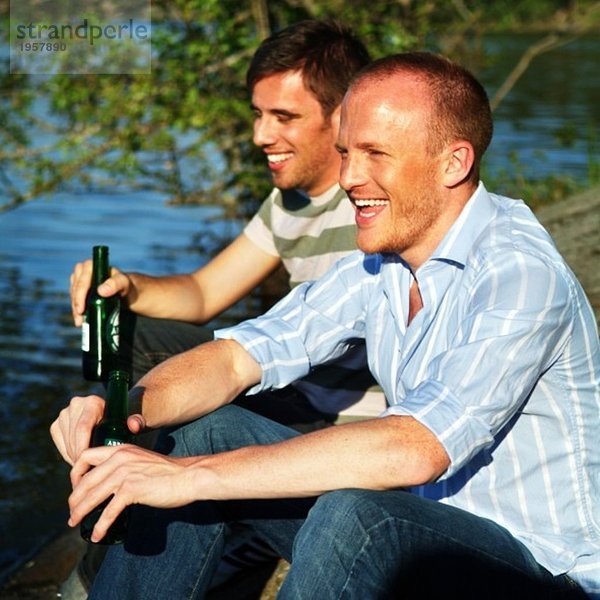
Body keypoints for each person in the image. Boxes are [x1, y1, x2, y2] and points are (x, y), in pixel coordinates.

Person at [52, 52, 600, 599]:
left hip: (542, 573)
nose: (347, 178)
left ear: (453, 163)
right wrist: (124, 411)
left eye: (374, 154)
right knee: (200, 431)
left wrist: (195, 476)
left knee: (355, 516)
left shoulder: (519, 273)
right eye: (344, 152)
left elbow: (415, 448)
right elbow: (237, 356)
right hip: (419, 532)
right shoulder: (383, 264)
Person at [62, 19, 381, 598]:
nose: (261, 135)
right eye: (258, 114)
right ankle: (112, 497)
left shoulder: (371, 209)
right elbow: (206, 293)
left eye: (283, 117)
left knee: (192, 415)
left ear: (343, 119)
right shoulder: (292, 201)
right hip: (292, 392)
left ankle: (111, 547)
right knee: (128, 335)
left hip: (335, 425)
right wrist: (125, 286)